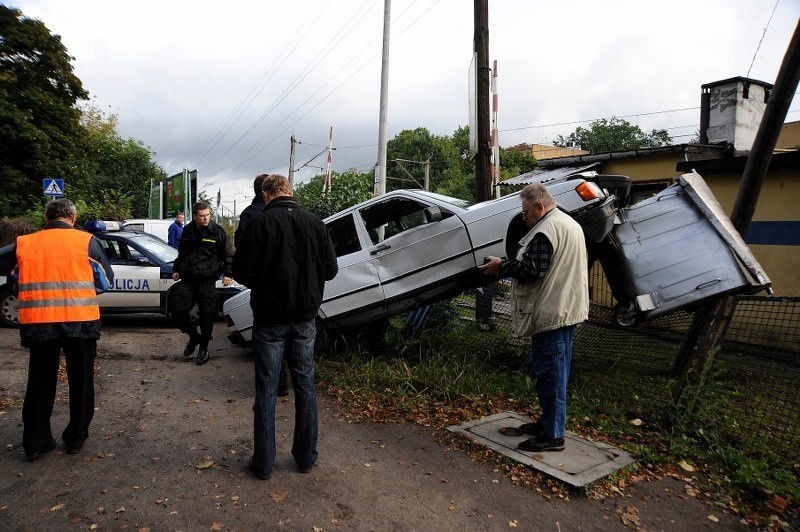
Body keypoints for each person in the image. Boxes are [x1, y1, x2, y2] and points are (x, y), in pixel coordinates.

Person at [232, 174, 338, 480]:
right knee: (305, 387)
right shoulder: (315, 223)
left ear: (267, 195)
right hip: (305, 318)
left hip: (269, 319)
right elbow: (330, 270)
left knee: (266, 389)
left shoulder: (258, 224)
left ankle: (264, 464)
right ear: (289, 191)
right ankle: (305, 459)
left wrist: (267, 281)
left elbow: (243, 272)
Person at [479, 182, 588, 452]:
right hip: (564, 309)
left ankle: (553, 436)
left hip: (553, 313)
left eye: (526, 212)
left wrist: (501, 266)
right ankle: (547, 423)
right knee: (552, 373)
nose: (524, 218)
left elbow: (531, 271)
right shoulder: (566, 222)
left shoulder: (546, 230)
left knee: (551, 375)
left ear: (539, 206)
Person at [10, 198, 114, 460]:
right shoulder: (86, 241)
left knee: (39, 382)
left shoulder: (26, 243)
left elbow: (16, 283)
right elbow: (104, 282)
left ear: (46, 219)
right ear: (73, 218)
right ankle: (75, 439)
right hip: (80, 318)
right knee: (81, 380)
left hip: (39, 320)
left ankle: (36, 442)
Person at [233, 173, 290, 396]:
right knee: (295, 343)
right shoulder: (304, 217)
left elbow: (242, 259)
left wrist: (255, 282)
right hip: (298, 293)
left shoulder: (251, 216)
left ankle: (276, 384)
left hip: (265, 293)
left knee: (268, 345)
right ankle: (292, 381)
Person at [171, 201, 233, 365]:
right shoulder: (188, 230)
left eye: (208, 215)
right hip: (189, 278)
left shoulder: (217, 231)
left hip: (207, 279)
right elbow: (182, 252)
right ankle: (194, 337)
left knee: (207, 316)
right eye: (202, 216)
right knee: (177, 310)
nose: (206, 218)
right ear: (195, 216)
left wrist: (228, 274)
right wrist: (176, 269)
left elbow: (228, 254)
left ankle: (203, 348)